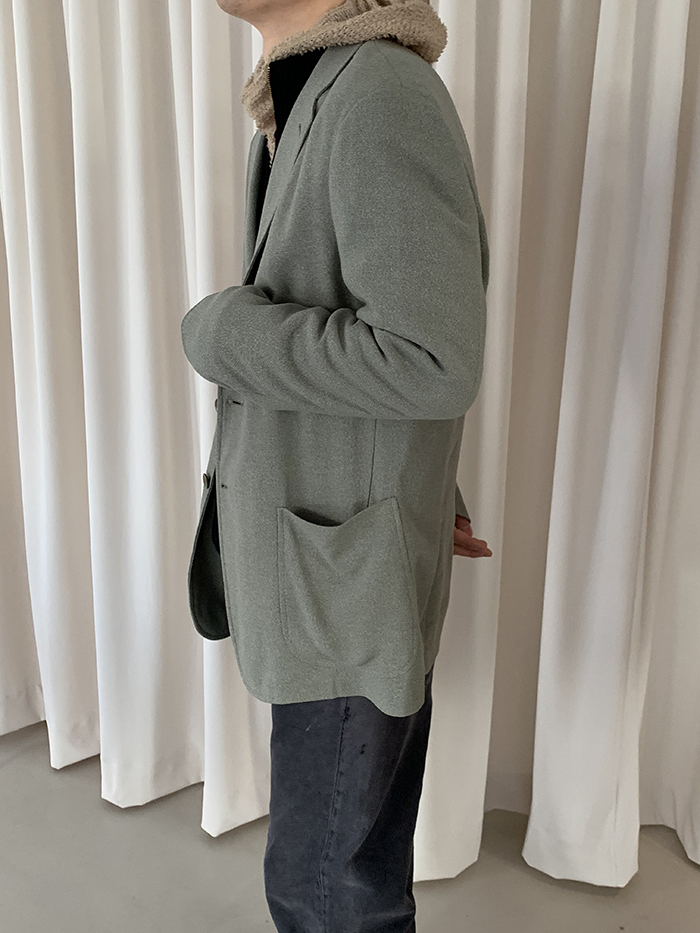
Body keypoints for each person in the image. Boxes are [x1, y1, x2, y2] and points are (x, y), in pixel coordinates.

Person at [181, 1, 492, 928]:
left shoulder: (379, 94)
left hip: (341, 586)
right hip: (327, 559)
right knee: (340, 873)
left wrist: (223, 331)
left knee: (326, 890)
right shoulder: (309, 93)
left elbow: (431, 357)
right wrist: (427, 487)